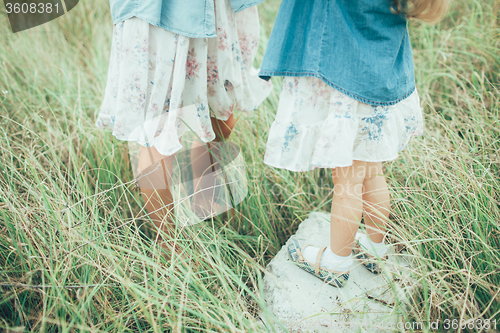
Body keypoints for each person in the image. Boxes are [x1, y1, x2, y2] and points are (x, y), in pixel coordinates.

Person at [258, 0, 449, 286]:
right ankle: (375, 248)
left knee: (347, 181)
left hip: (347, 82)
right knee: (373, 172)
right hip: (381, 79)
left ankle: (336, 261)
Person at [96, 0, 272, 256]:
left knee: (224, 103)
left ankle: (203, 196)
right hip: (157, 12)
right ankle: (169, 246)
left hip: (217, 7)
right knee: (157, 130)